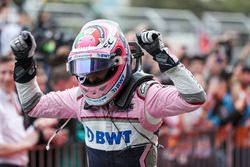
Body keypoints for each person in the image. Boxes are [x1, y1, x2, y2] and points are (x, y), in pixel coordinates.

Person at [10, 19, 206, 167]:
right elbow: (33, 105)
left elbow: (195, 97)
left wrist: (162, 54)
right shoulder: (79, 97)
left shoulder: (146, 95)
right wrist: (24, 64)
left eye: (98, 67)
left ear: (118, 61)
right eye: (84, 68)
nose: (91, 76)